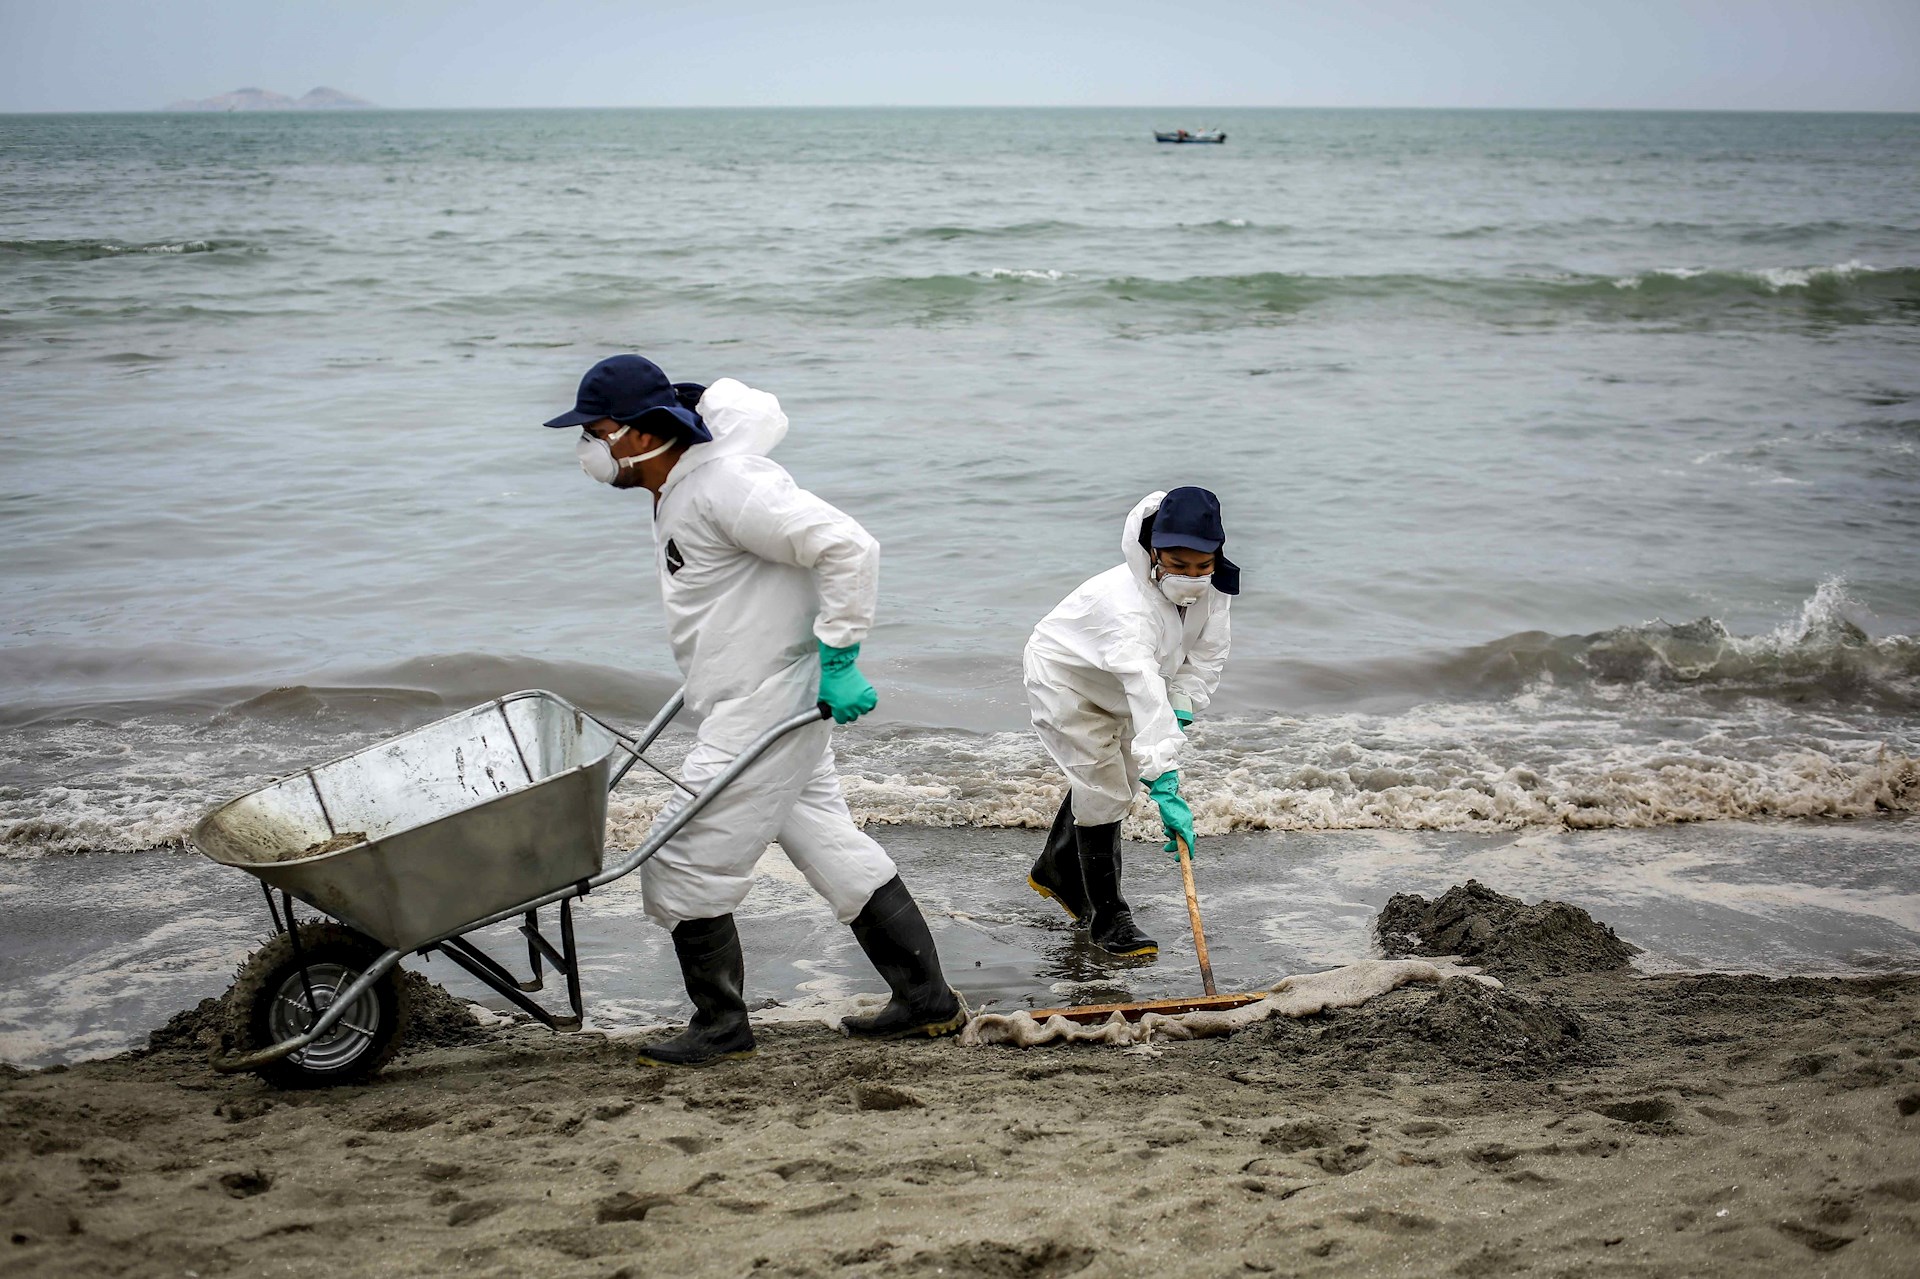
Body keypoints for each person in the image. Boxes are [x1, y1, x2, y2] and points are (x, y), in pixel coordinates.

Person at [544, 354, 965, 1066]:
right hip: (751, 698)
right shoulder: (681, 486)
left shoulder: (726, 484)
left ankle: (721, 1025)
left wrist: (839, 656)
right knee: (830, 845)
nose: (587, 446)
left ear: (644, 433)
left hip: (768, 705)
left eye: (598, 430)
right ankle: (927, 1000)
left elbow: (848, 545)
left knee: (680, 855)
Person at [1022, 487, 1237, 958]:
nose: (1194, 577)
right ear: (1154, 552)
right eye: (1180, 566)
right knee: (1105, 787)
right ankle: (1108, 916)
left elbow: (1206, 656)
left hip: (1122, 683)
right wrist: (1166, 776)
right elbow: (1141, 683)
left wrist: (1181, 704)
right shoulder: (1126, 607)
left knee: (1118, 778)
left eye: (1204, 565)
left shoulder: (1215, 590)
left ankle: (1056, 867)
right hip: (1068, 679)